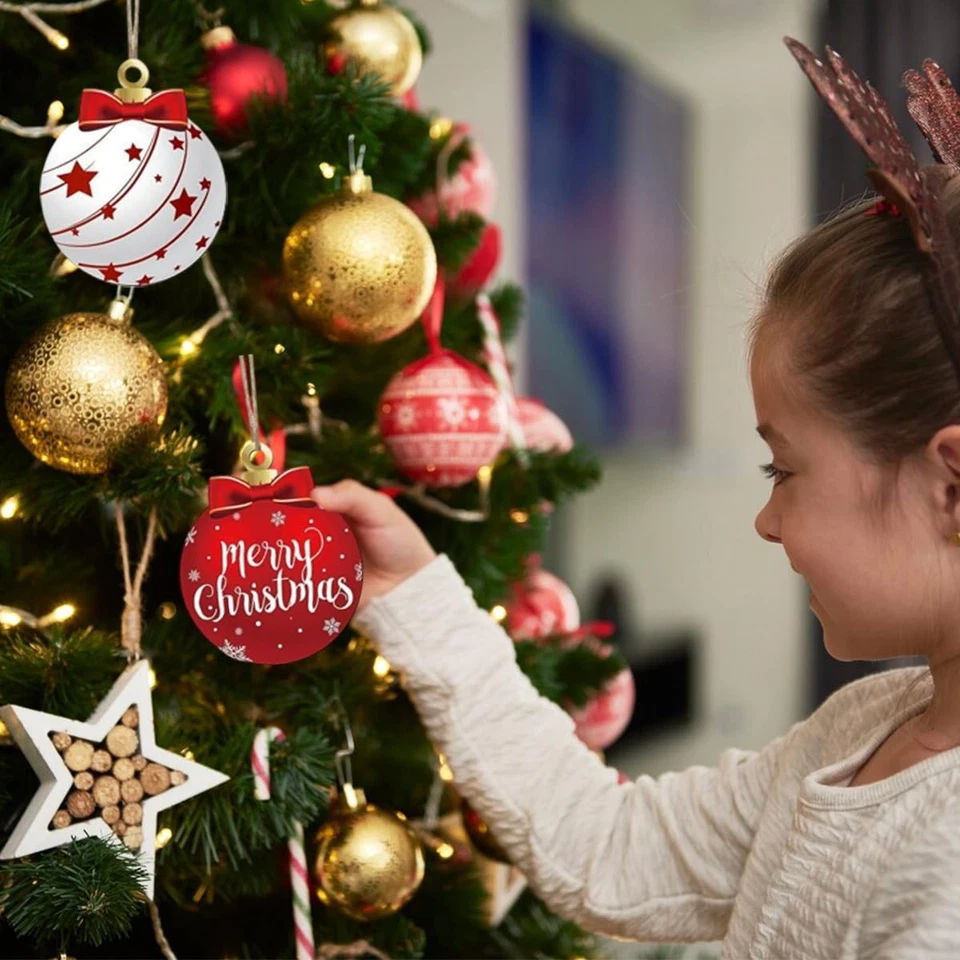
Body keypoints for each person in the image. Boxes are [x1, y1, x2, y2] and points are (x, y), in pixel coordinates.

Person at [310, 41, 960, 960]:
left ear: (951, 486)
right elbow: (608, 849)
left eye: (783, 471)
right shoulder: (862, 727)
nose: (768, 521)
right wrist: (413, 594)